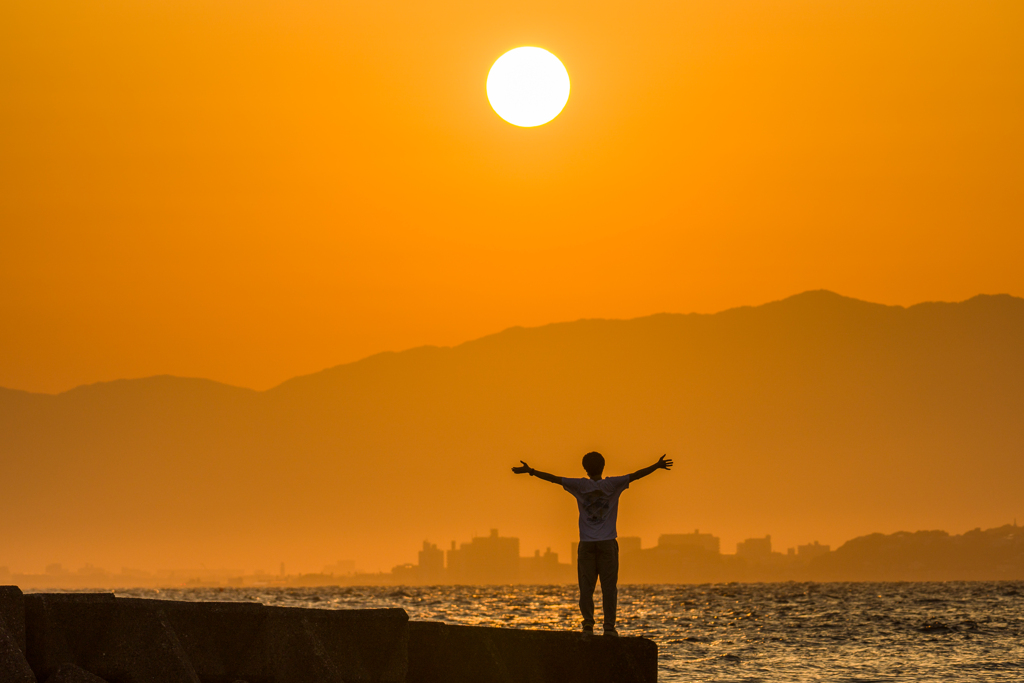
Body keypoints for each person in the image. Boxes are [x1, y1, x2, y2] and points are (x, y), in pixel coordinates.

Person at [512, 451, 673, 635]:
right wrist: (657, 465)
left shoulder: (580, 485)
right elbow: (636, 475)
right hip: (607, 544)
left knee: (586, 588)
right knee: (609, 589)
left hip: (587, 544)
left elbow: (553, 479)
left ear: (585, 469)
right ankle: (609, 628)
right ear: (603, 466)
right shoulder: (612, 484)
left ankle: (588, 623)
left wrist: (530, 471)